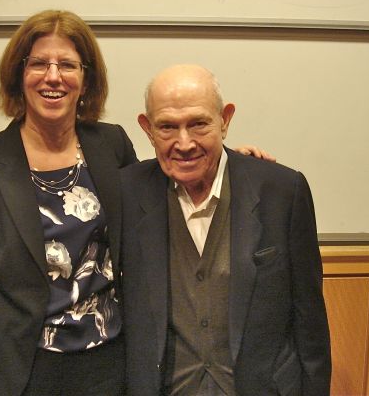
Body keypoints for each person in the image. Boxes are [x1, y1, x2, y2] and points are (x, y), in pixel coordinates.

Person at [0, 11, 271, 396]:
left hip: (112, 362)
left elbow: (166, 184)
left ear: (86, 79)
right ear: (19, 74)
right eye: (38, 64)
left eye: (67, 65)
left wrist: (232, 164)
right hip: (23, 369)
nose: (53, 76)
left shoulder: (110, 145)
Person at [120, 64, 331, 396]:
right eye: (167, 127)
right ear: (147, 129)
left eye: (199, 123)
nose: (184, 142)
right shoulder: (125, 193)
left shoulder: (282, 191)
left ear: (225, 119)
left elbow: (310, 322)